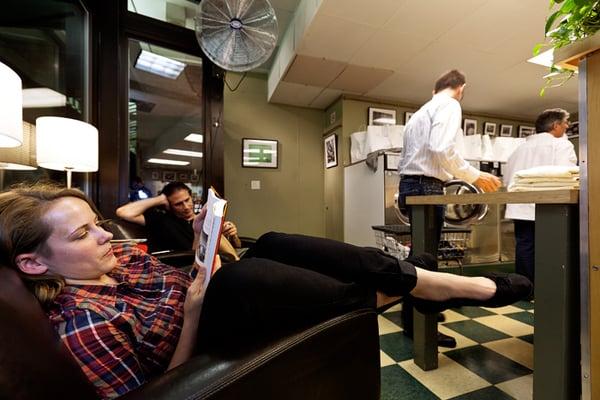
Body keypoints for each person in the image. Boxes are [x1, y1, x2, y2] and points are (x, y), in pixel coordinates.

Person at [0, 183, 532, 399]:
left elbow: (189, 269)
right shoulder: (83, 323)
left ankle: (428, 283)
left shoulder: (121, 262)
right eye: (82, 233)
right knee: (248, 276)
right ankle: (434, 285)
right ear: (32, 262)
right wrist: (191, 312)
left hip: (209, 296)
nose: (105, 234)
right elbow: (152, 393)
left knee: (270, 241)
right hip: (205, 334)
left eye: (96, 222)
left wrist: (210, 243)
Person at [398, 69, 502, 346]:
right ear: (461, 88)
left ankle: (415, 316)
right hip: (426, 186)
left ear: (435, 89)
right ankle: (419, 326)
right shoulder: (450, 104)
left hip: (410, 185)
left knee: (419, 258)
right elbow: (441, 148)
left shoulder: (421, 112)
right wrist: (475, 175)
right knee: (426, 262)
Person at [503, 108, 577, 286]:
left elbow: (507, 178)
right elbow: (567, 175)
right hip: (549, 205)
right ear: (555, 125)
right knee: (550, 245)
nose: (567, 127)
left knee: (525, 246)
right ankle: (549, 287)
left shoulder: (519, 149)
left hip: (519, 206)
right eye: (565, 123)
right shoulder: (561, 145)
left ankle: (525, 288)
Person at [116, 181, 242, 253]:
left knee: (262, 242)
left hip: (222, 261)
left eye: (187, 200)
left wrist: (233, 235)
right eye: (178, 204)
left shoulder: (205, 218)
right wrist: (160, 198)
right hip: (190, 262)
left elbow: (238, 246)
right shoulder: (162, 220)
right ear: (169, 205)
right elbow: (123, 212)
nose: (186, 207)